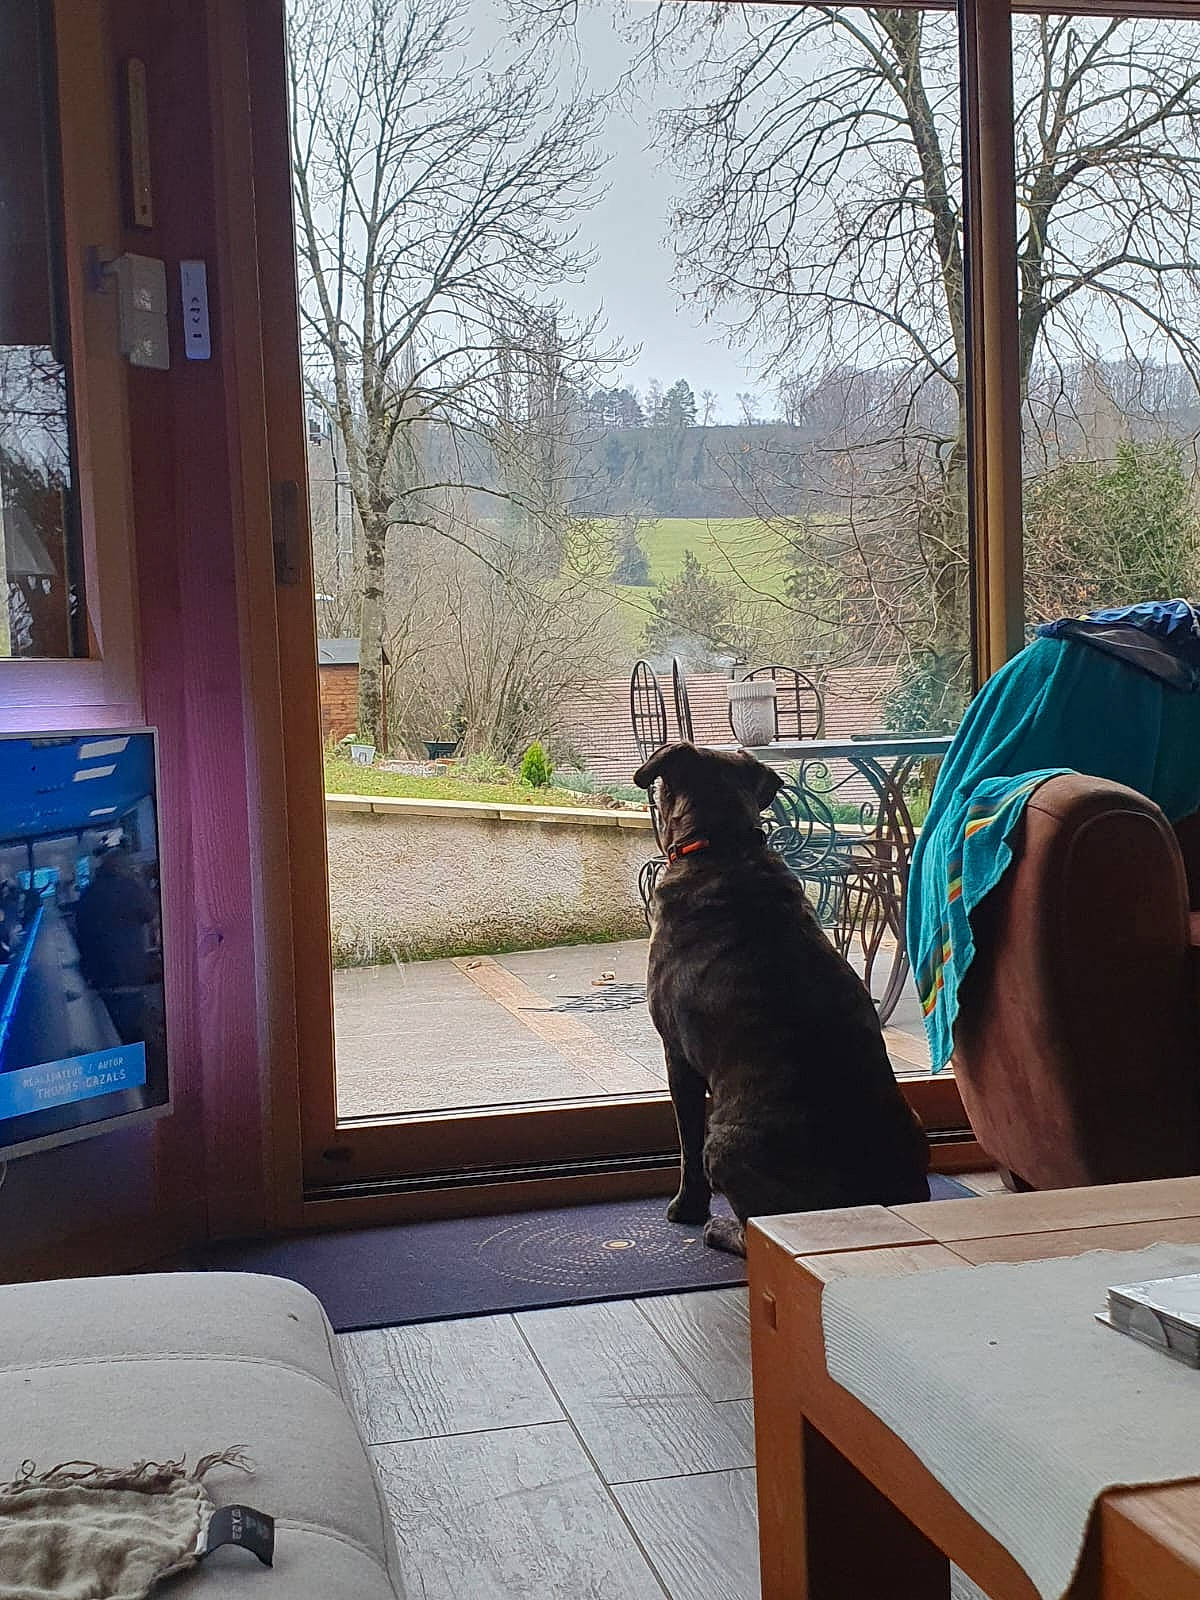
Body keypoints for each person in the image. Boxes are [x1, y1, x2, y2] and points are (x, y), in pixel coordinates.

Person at [73, 848, 158, 1044]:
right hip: (129, 978)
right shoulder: (130, 888)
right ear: (123, 868)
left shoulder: (88, 894)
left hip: (99, 982)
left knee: (113, 1039)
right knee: (139, 1041)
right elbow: (153, 915)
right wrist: (141, 880)